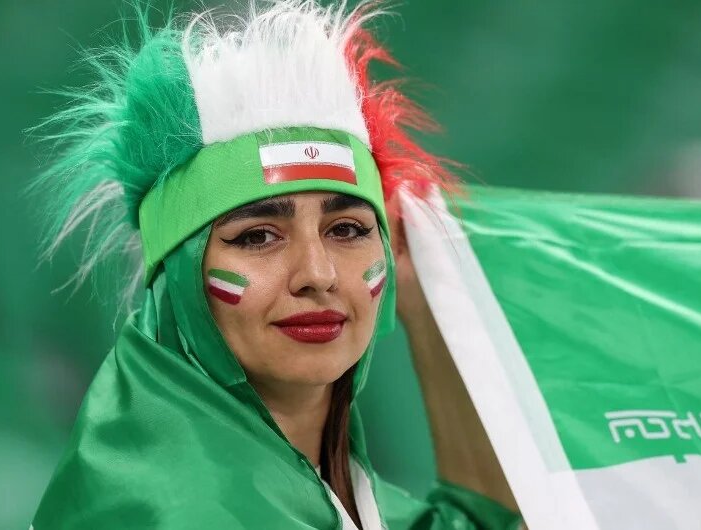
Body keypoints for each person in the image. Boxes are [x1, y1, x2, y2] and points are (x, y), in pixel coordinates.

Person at [31, 1, 522, 528]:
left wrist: (428, 311)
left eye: (348, 230)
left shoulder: (300, 487)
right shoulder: (176, 509)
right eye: (258, 236)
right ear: (178, 277)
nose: (318, 272)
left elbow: (480, 521)